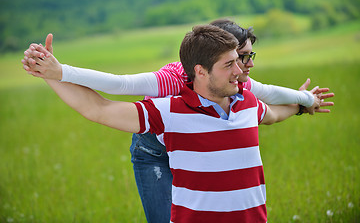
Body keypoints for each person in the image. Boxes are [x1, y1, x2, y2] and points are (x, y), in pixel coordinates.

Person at [22, 19, 334, 223]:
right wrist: (54, 73)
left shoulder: (246, 98)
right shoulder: (168, 102)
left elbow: (273, 106)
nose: (244, 69)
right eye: (233, 62)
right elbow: (109, 96)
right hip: (154, 149)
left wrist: (305, 103)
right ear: (200, 70)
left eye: (245, 59)